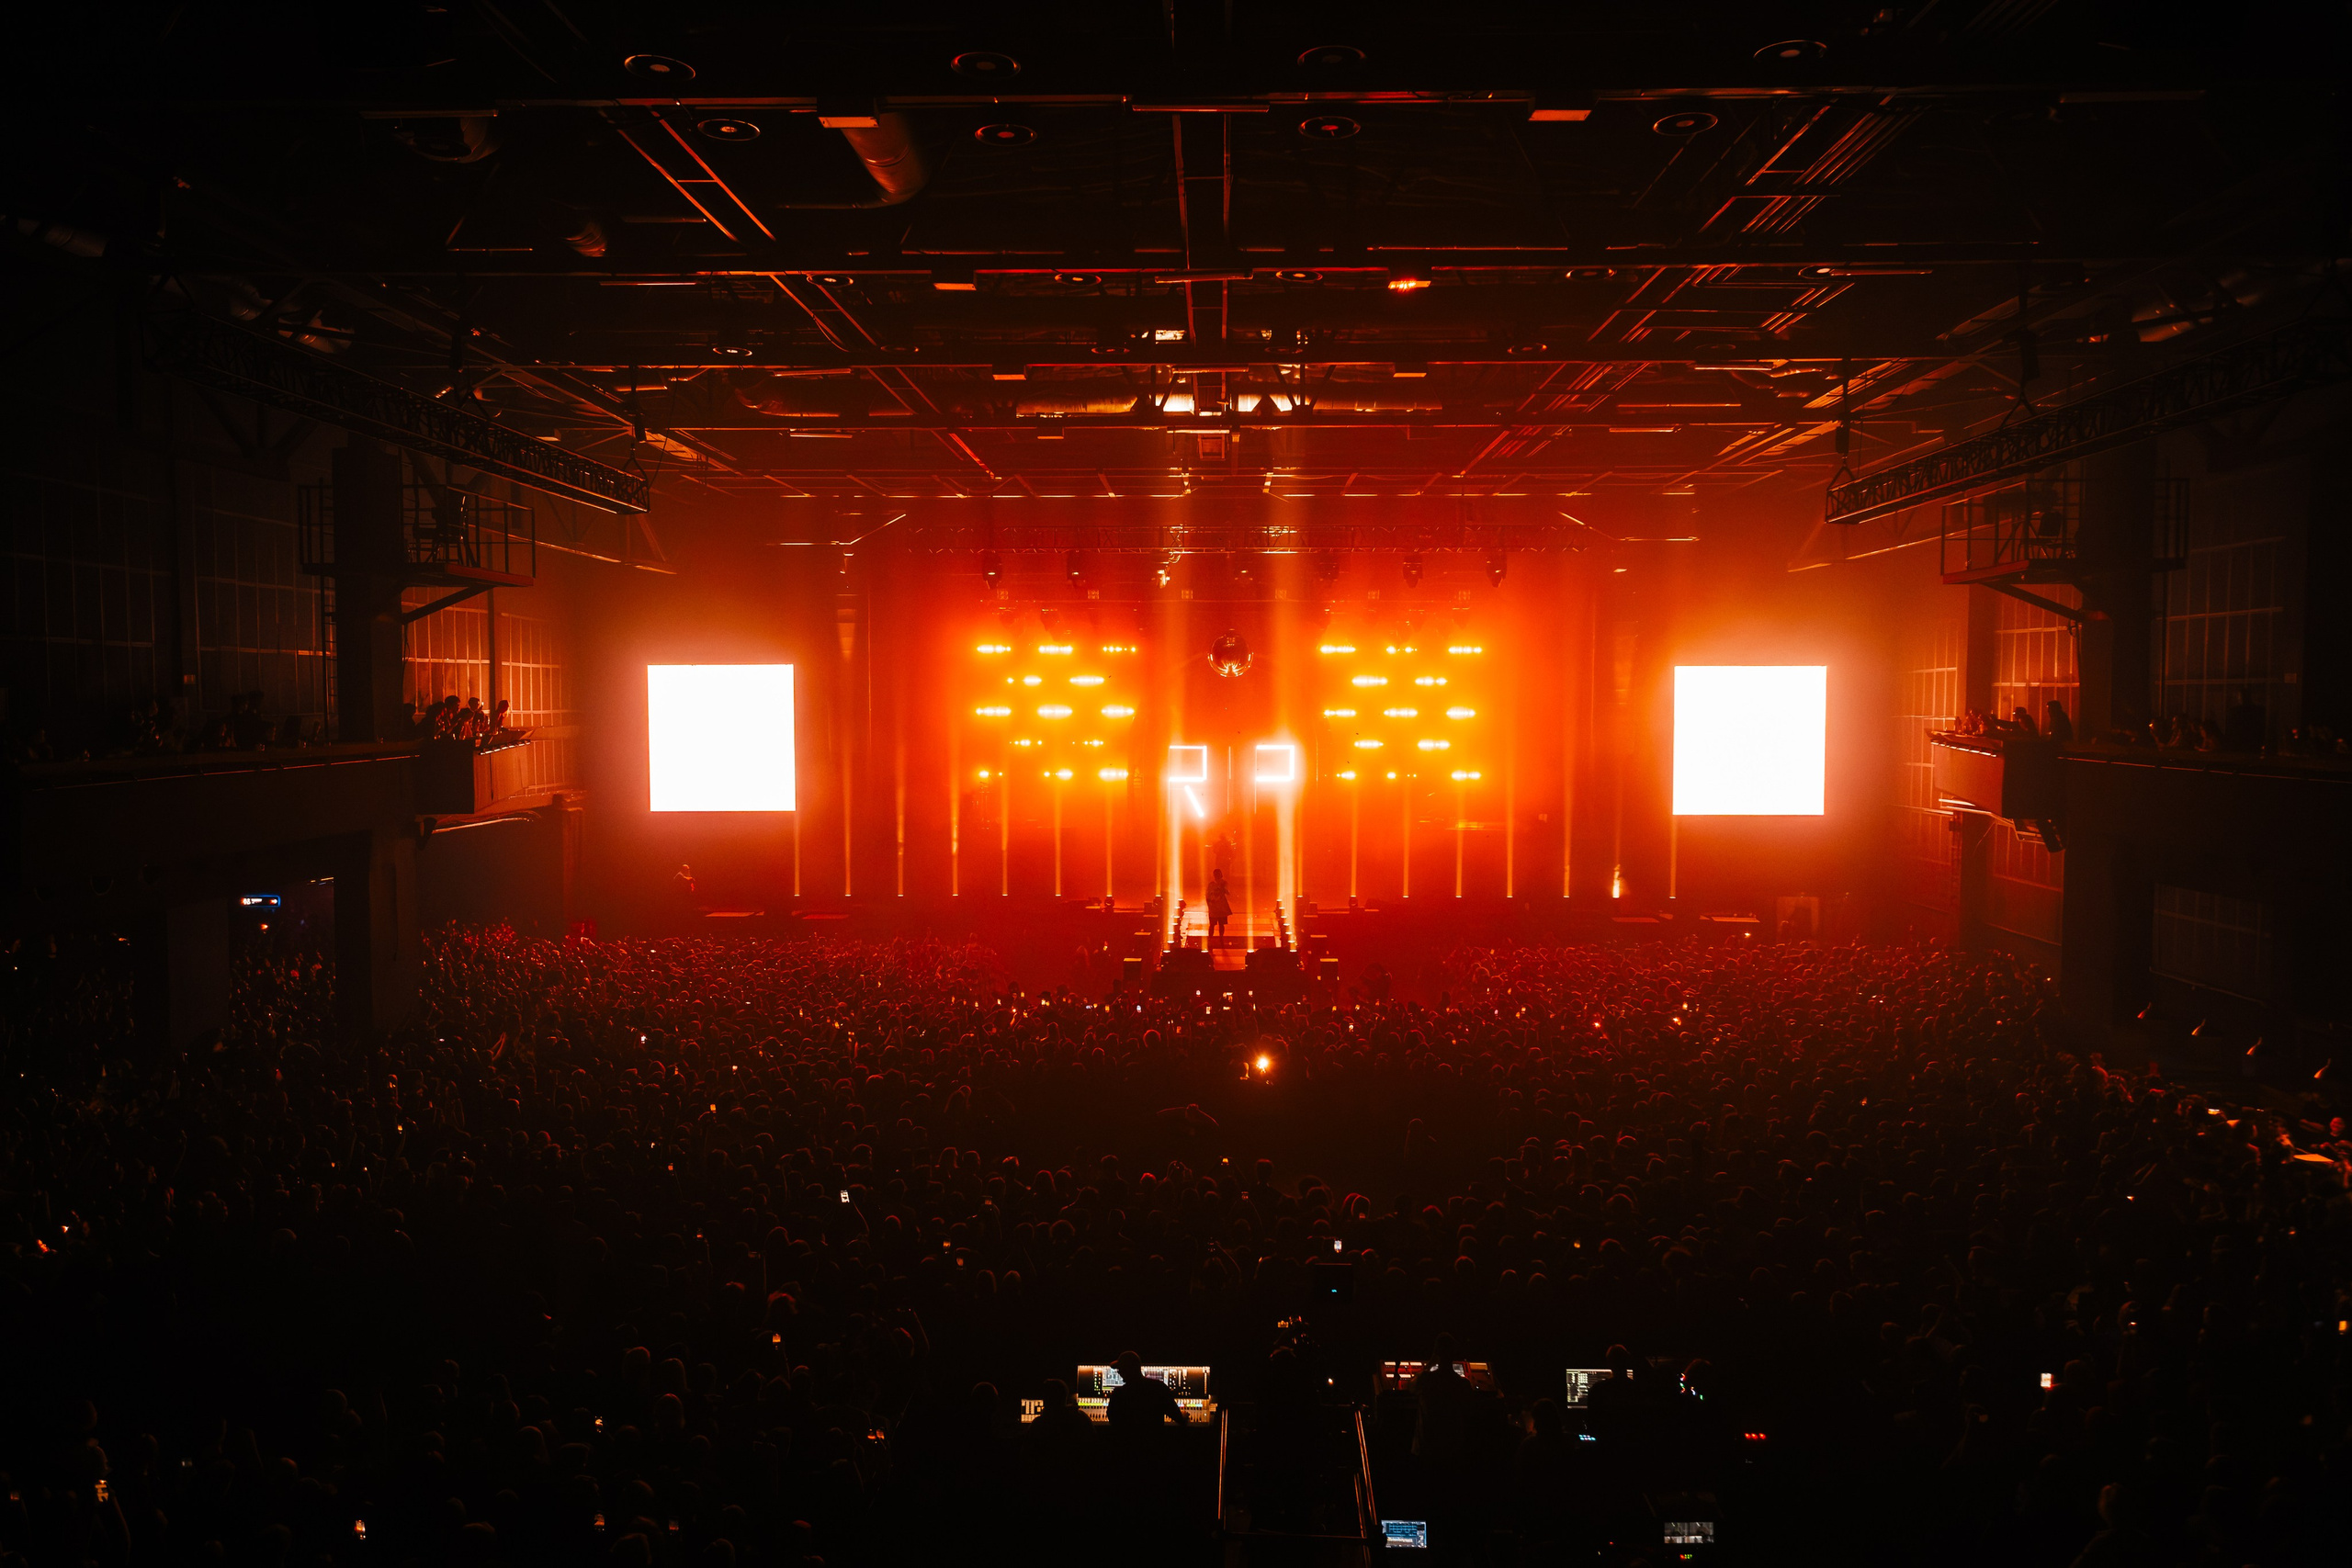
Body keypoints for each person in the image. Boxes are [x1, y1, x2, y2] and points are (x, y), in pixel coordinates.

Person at [1104, 1353, 1181, 1433]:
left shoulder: (1118, 1393)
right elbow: (1177, 1416)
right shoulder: (1159, 1387)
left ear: (1130, 1369)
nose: (1119, 1372)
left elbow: (1113, 1420)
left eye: (1121, 1369)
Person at [1205, 869, 1232, 942]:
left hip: (1221, 907)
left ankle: (1220, 937)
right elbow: (1208, 894)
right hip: (1214, 907)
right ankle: (1211, 938)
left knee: (1220, 924)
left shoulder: (1224, 883)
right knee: (1212, 925)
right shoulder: (1211, 884)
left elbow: (1228, 892)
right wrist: (1210, 902)